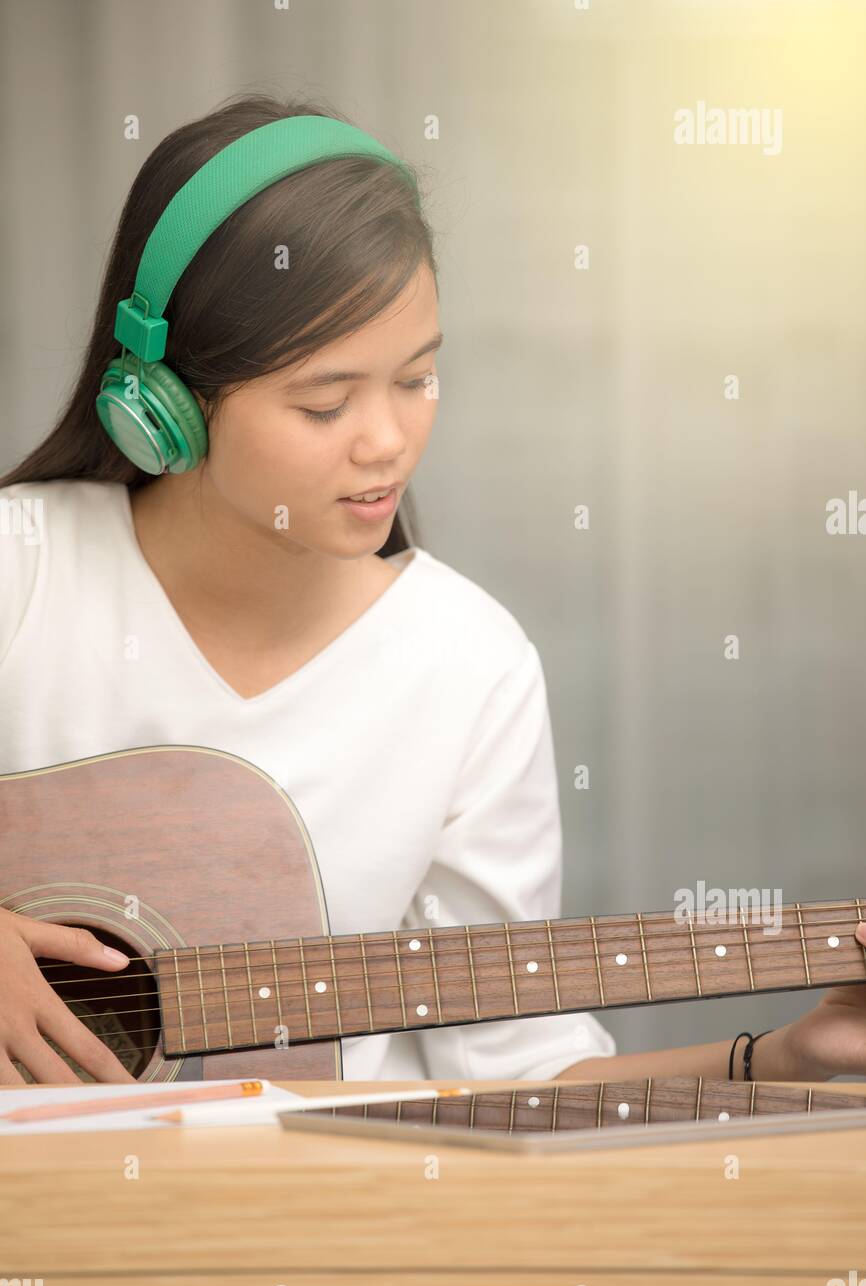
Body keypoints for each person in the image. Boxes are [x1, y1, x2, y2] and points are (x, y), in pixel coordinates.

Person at [1, 94, 863, 1087]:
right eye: (325, 402)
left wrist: (782, 1056)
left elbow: (514, 1075)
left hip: (298, 1217)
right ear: (165, 405)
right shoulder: (21, 568)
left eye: (415, 379)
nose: (387, 441)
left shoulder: (468, 663)